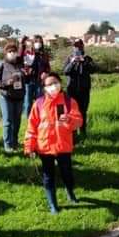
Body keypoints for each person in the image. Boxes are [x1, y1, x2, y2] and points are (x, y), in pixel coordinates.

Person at [25, 73, 83, 214]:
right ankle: (53, 204)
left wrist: (69, 119)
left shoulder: (69, 101)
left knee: (67, 173)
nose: (53, 86)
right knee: (48, 176)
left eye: (55, 82)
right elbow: (31, 127)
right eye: (49, 84)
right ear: (44, 87)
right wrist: (29, 145)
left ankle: (70, 192)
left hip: (63, 145)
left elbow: (78, 121)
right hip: (44, 146)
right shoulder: (38, 104)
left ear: (60, 83)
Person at [0, 41, 25, 153]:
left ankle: (14, 142)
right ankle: (7, 145)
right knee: (7, 121)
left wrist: (26, 74)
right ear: (5, 53)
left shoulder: (21, 64)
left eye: (14, 51)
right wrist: (7, 82)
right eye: (9, 51)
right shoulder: (1, 65)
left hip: (19, 97)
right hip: (6, 96)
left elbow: (27, 79)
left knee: (17, 121)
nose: (12, 53)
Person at [62, 39, 96, 139]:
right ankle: (72, 133)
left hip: (84, 90)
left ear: (82, 47)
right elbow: (65, 71)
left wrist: (84, 61)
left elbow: (94, 70)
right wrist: (72, 63)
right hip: (71, 90)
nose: (77, 48)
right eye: (75, 46)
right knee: (71, 112)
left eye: (79, 46)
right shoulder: (69, 58)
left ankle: (83, 132)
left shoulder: (87, 58)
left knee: (83, 111)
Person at [21, 35, 51, 117]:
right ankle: (29, 123)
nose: (38, 43)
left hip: (39, 82)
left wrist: (46, 73)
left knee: (40, 103)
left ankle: (40, 122)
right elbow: (21, 65)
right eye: (36, 42)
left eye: (40, 42)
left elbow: (48, 67)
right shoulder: (27, 53)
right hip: (28, 81)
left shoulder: (44, 54)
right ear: (33, 43)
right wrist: (24, 70)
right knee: (27, 104)